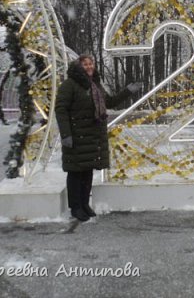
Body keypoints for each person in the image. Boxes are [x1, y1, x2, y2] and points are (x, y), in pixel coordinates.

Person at [55, 54, 142, 221]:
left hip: (92, 135)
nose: (89, 67)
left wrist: (128, 91)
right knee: (75, 172)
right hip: (76, 135)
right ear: (78, 67)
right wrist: (66, 134)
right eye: (85, 64)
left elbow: (109, 102)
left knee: (87, 171)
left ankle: (85, 204)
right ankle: (75, 207)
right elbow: (61, 110)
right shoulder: (69, 85)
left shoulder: (95, 85)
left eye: (90, 64)